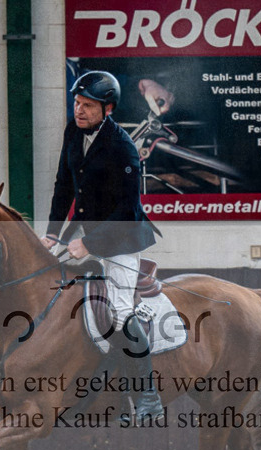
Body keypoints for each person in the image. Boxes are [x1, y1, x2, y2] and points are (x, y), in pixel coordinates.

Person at [41, 70, 163, 424]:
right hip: (85, 233)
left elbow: (127, 210)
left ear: (107, 109)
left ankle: (147, 397)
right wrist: (53, 234)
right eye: (76, 103)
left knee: (121, 312)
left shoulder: (122, 146)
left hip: (122, 237)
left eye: (87, 106)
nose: (78, 111)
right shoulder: (72, 131)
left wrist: (87, 243)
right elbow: (63, 185)